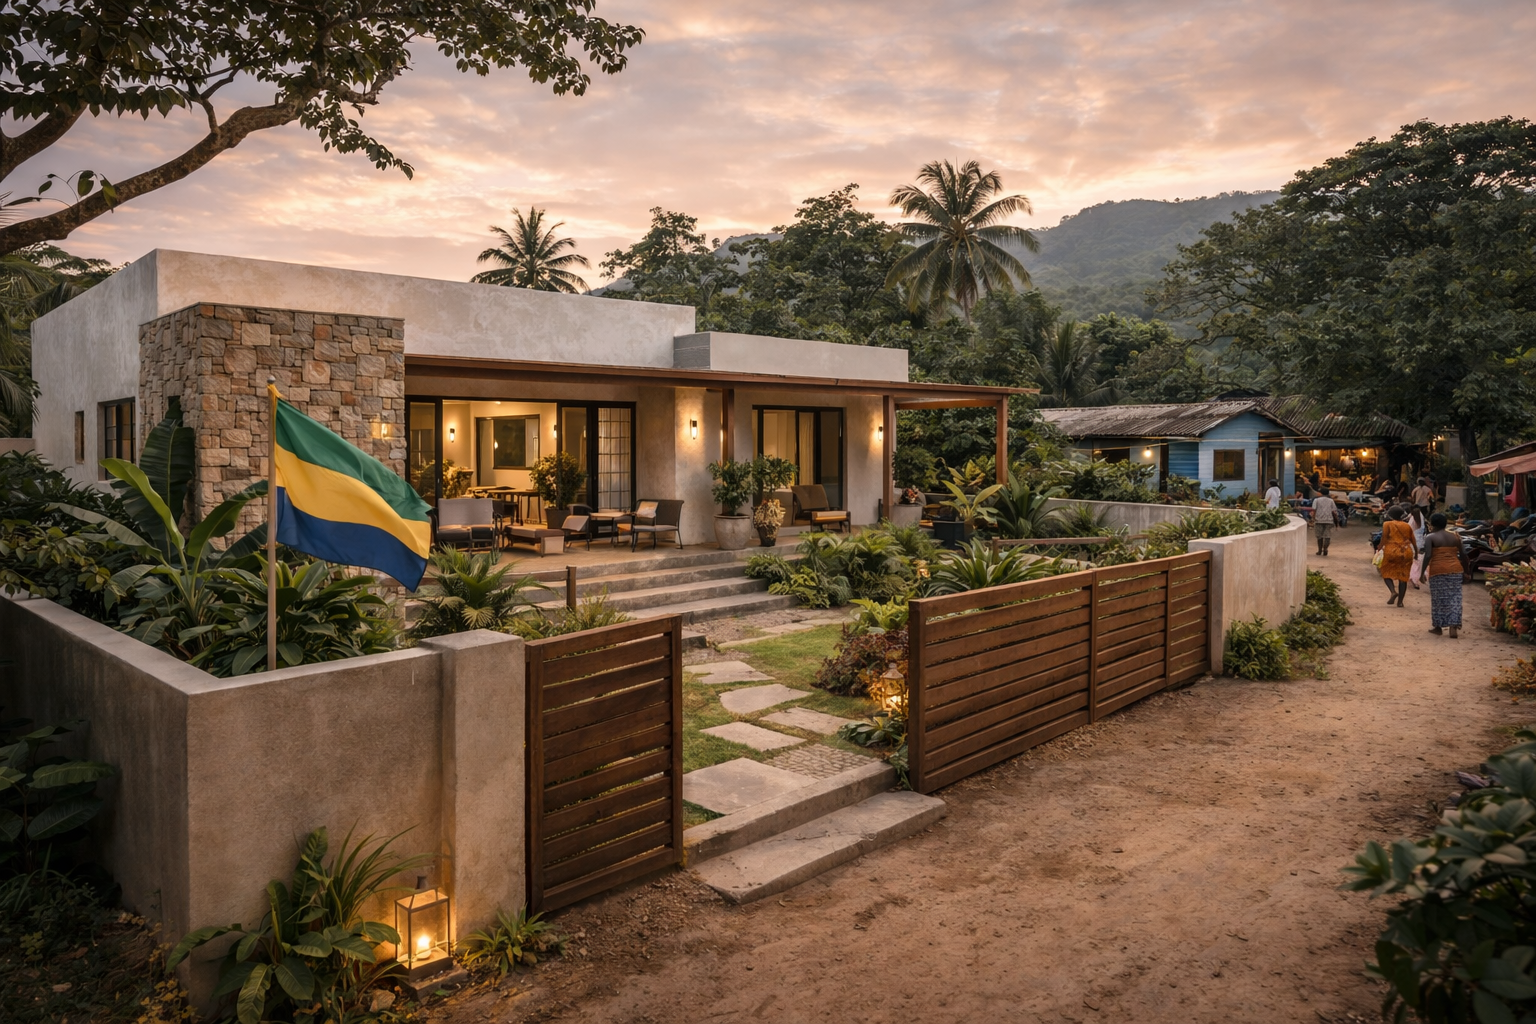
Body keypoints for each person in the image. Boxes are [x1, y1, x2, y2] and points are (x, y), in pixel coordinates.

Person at [1423, 512, 1468, 638]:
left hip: (1437, 570)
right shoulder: (1456, 537)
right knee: (1455, 598)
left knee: (1438, 599)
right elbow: (1464, 555)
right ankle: (1453, 625)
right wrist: (1467, 571)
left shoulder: (1430, 537)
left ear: (1432, 524)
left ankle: (1438, 627)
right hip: (1455, 570)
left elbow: (1428, 555)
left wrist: (1422, 572)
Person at [1378, 505, 1418, 607]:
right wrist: (1416, 554)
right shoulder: (1407, 526)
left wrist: (1379, 548)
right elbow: (1413, 541)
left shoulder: (1387, 524)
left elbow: (1384, 538)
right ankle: (1400, 602)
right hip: (1406, 552)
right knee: (1403, 577)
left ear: (1390, 515)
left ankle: (1393, 591)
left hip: (1391, 551)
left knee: (1385, 572)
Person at [1311, 487, 1338, 556]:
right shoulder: (1331, 501)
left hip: (1318, 520)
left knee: (1319, 536)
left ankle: (1319, 550)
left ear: (1321, 493)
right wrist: (1336, 521)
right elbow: (1334, 511)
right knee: (1327, 535)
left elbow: (1314, 510)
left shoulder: (1316, 500)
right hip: (1329, 520)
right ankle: (1325, 548)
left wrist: (1313, 518)